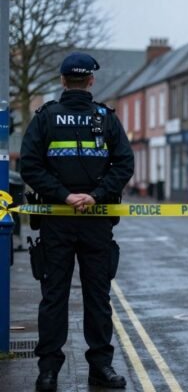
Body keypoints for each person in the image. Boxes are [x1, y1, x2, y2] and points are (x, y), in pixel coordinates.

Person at [21, 52, 134, 391]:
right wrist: (96, 196)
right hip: (96, 222)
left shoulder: (44, 117)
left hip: (56, 222)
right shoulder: (107, 118)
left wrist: (62, 196)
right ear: (91, 81)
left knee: (53, 296)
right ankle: (101, 367)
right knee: (98, 297)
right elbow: (124, 165)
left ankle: (48, 372)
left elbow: (29, 166)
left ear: (62, 80)